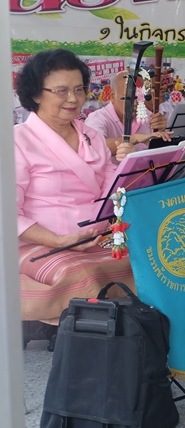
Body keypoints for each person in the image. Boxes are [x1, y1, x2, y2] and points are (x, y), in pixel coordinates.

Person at [15, 49, 136, 344]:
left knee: (151, 258)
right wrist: (59, 241)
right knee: (82, 273)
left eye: (79, 89)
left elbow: (112, 188)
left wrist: (129, 167)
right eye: (61, 90)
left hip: (97, 236)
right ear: (36, 94)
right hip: (41, 243)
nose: (73, 98)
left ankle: (139, 342)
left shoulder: (90, 135)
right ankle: (90, 350)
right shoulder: (17, 140)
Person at [84, 70, 171, 159]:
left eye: (139, 97)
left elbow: (159, 154)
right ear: (113, 96)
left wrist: (161, 132)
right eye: (129, 98)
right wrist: (134, 139)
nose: (135, 103)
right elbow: (94, 147)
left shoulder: (148, 116)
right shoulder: (97, 118)